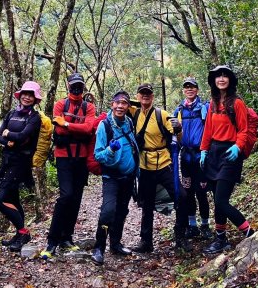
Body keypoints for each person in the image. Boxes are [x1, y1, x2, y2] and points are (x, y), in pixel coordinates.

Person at [40, 72, 96, 259]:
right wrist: (68, 126)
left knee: (76, 197)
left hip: (81, 157)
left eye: (79, 85)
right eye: (74, 85)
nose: (77, 88)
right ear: (68, 85)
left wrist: (67, 124)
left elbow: (89, 128)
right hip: (63, 156)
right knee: (66, 196)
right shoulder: (59, 104)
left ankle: (67, 238)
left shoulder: (89, 107)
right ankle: (52, 241)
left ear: (83, 87)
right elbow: (57, 128)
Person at [200, 65, 254, 254]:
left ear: (230, 80)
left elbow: (244, 130)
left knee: (222, 200)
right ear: (213, 81)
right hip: (214, 152)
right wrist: (203, 150)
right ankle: (221, 239)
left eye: (225, 76)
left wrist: (238, 146)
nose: (221, 79)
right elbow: (208, 128)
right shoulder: (213, 103)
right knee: (217, 199)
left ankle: (250, 233)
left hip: (230, 153)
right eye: (218, 76)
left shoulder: (237, 103)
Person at [130, 83, 190, 253]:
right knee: (146, 204)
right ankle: (146, 241)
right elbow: (121, 105)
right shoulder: (134, 114)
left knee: (182, 197)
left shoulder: (161, 114)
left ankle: (180, 236)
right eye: (142, 93)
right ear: (138, 95)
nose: (145, 96)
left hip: (163, 163)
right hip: (144, 165)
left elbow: (177, 136)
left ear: (153, 96)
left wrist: (178, 129)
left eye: (148, 93)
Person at [91, 90, 139, 265]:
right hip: (111, 177)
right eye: (117, 103)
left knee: (122, 211)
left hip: (128, 177)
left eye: (124, 103)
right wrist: (110, 150)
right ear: (112, 104)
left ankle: (115, 244)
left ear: (128, 106)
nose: (120, 106)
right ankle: (99, 247)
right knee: (108, 211)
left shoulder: (129, 123)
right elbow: (98, 155)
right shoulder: (105, 126)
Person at [0, 81, 42, 252]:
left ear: (35, 99)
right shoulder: (12, 114)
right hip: (7, 160)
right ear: (20, 95)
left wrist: (10, 135)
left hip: (21, 163)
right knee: (13, 199)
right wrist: (10, 141)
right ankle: (18, 233)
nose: (27, 97)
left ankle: (23, 232)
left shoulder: (34, 118)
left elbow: (23, 136)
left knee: (0, 200)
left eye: (31, 95)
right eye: (25, 94)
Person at [173, 77, 212, 240]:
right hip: (185, 157)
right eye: (186, 87)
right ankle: (192, 226)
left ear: (197, 90)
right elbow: (173, 132)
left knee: (201, 192)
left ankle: (205, 225)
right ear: (184, 90)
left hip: (200, 156)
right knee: (188, 192)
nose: (189, 89)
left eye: (192, 87)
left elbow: (211, 127)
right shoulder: (179, 110)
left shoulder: (204, 108)